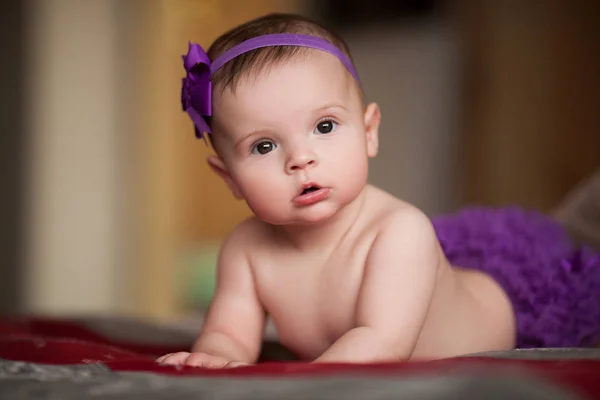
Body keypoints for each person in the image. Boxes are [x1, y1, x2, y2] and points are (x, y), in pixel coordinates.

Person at [157, 13, 600, 368]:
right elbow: (230, 334)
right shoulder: (245, 250)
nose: (300, 158)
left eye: (324, 126)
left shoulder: (399, 232)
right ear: (229, 177)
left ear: (369, 132)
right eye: (264, 146)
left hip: (517, 310)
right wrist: (213, 358)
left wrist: (299, 385)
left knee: (581, 245)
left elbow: (381, 343)